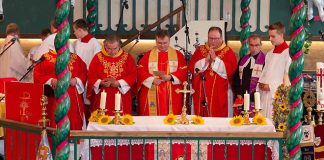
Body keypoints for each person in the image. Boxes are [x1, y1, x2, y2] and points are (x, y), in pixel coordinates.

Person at [33, 46, 87, 130]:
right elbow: (37, 74)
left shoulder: (75, 58)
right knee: (57, 122)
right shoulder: (46, 57)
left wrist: (76, 80)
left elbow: (84, 72)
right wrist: (51, 81)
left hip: (73, 98)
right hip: (55, 97)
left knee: (73, 124)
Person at [188, 26, 237, 117]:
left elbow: (231, 70)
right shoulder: (200, 50)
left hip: (220, 92)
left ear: (221, 38)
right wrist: (205, 61)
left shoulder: (228, 51)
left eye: (216, 38)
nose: (213, 41)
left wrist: (215, 59)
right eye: (211, 38)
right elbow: (192, 67)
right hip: (202, 91)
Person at [137, 30, 187, 116]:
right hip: (153, 90)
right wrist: (152, 80)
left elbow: (183, 70)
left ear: (169, 41)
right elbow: (140, 70)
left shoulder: (178, 55)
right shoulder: (148, 55)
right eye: (159, 43)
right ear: (155, 41)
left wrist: (171, 77)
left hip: (172, 91)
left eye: (165, 43)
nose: (162, 45)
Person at [87, 34, 136, 115]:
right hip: (102, 94)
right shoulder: (97, 57)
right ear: (104, 45)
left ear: (119, 45)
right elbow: (91, 75)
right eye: (109, 48)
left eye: (115, 48)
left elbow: (133, 75)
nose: (112, 51)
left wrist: (119, 83)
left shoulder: (127, 57)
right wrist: (100, 82)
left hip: (122, 96)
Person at [258, 22, 291, 119]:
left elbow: (288, 79)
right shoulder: (269, 53)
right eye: (269, 36)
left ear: (281, 35)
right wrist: (260, 83)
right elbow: (264, 73)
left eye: (273, 36)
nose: (270, 39)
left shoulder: (288, 53)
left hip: (277, 97)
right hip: (265, 96)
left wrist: (271, 86)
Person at [232, 34, 265, 114]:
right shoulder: (243, 59)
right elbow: (236, 77)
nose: (254, 48)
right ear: (248, 45)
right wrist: (238, 93)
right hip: (242, 99)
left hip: (257, 100)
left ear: (261, 45)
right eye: (252, 45)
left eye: (257, 45)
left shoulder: (266, 60)